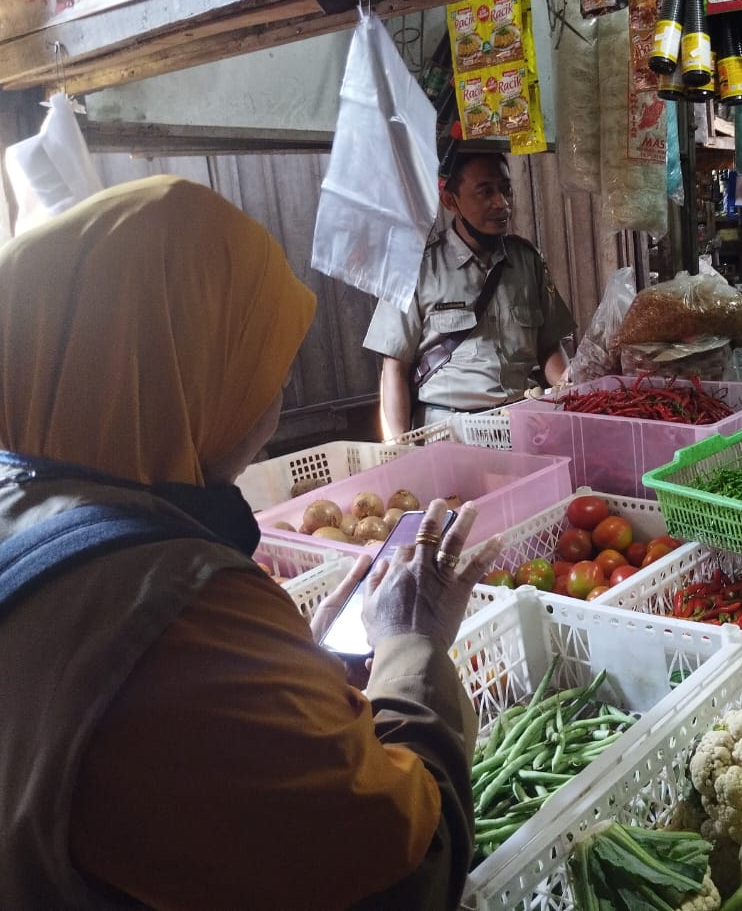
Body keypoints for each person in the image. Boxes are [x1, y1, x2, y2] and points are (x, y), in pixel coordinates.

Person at [0, 175, 500, 909]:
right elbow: (403, 869)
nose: (274, 388)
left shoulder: (27, 503)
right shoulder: (181, 616)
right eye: (260, 355)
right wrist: (413, 644)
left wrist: (282, 666)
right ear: (183, 369)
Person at [363, 151, 575, 439]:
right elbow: (394, 368)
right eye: (485, 192)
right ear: (451, 201)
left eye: (505, 189)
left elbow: (549, 346)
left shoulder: (527, 261)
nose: (501, 203)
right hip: (451, 433)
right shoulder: (416, 268)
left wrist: (571, 393)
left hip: (523, 424)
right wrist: (397, 448)